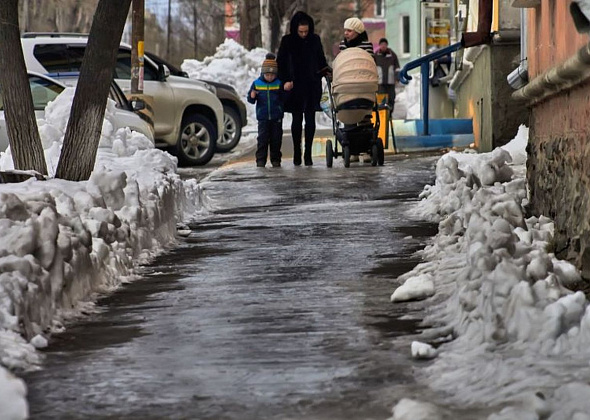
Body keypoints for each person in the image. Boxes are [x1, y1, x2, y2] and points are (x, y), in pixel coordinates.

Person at [277, 11, 330, 166]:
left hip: (311, 85)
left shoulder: (314, 40)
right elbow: (281, 63)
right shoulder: (287, 41)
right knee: (297, 119)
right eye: (301, 32)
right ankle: (296, 152)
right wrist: (285, 80)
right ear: (295, 29)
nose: (304, 34)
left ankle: (308, 153)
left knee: (311, 119)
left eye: (306, 31)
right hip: (294, 86)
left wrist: (326, 72)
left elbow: (321, 61)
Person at [247, 53, 291, 168]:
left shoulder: (278, 83)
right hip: (263, 118)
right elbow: (251, 100)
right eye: (267, 74)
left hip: (276, 117)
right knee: (262, 140)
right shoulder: (257, 84)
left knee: (276, 140)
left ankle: (275, 160)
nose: (270, 77)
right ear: (263, 73)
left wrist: (286, 91)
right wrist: (252, 96)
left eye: (272, 75)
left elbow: (284, 99)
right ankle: (260, 160)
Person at [374, 38, 400, 113]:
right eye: (382, 45)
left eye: (385, 45)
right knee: (381, 99)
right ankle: (382, 114)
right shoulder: (376, 56)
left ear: (387, 45)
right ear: (379, 46)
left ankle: (390, 114)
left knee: (391, 99)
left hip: (390, 82)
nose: (383, 46)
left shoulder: (392, 55)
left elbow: (397, 67)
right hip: (380, 83)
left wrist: (397, 78)